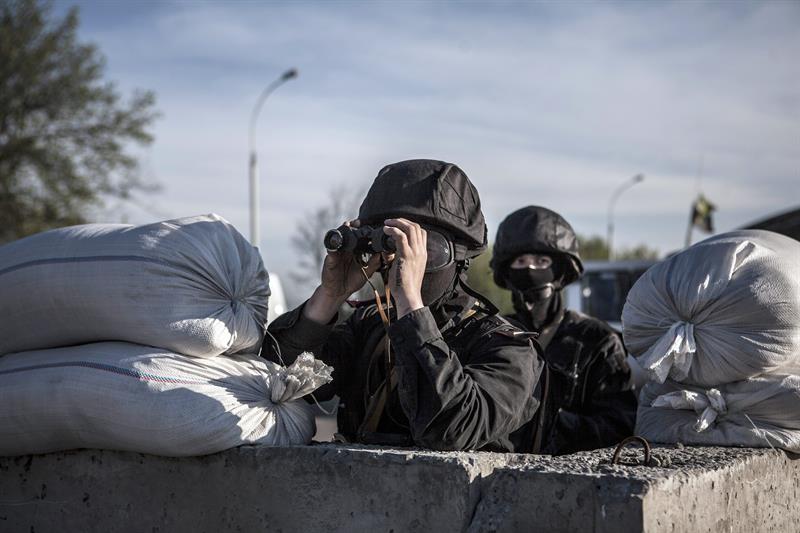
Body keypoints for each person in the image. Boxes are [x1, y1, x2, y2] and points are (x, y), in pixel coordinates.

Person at [266, 159, 543, 452]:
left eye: (423, 249)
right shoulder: (370, 329)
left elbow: (452, 429)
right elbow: (281, 381)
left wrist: (411, 302)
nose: (401, 261)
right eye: (391, 245)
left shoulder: (507, 348)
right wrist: (330, 295)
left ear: (459, 258)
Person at [491, 206, 636, 455]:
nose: (530, 270)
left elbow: (619, 424)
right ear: (507, 272)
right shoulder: (494, 334)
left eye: (542, 261)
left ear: (560, 272)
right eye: (520, 261)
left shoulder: (597, 340)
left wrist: (550, 425)